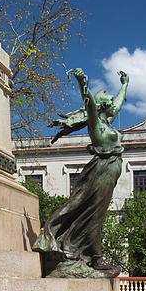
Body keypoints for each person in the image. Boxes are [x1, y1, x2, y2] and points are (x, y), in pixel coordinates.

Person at [33, 68, 129, 277]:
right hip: (101, 171)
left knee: (93, 215)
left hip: (110, 171)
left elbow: (119, 104)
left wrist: (125, 85)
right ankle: (95, 258)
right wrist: (83, 84)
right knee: (93, 215)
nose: (113, 102)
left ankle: (86, 254)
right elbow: (89, 104)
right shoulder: (96, 125)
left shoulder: (108, 122)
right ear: (102, 105)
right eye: (109, 100)